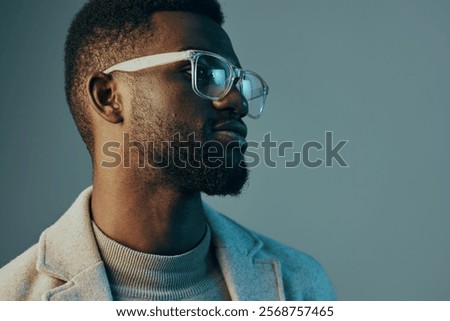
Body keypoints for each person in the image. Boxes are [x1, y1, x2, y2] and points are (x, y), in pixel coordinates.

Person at [0, 0, 335, 301]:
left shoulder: (299, 286)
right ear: (108, 96)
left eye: (238, 81)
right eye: (202, 71)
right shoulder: (12, 299)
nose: (237, 102)